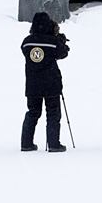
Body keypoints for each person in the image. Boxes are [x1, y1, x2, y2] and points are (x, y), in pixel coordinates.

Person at [20, 12, 70, 152]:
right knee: (53, 113)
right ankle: (53, 144)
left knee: (33, 112)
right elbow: (63, 53)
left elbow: (26, 53)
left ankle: (26, 143)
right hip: (51, 83)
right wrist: (60, 41)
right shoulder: (52, 42)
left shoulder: (27, 42)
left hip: (32, 84)